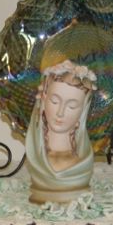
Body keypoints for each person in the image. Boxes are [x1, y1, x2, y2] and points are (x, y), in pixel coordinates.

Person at [25, 60, 97, 204]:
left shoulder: (82, 161)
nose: (60, 112)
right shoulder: (37, 157)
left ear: (83, 111)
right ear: (44, 100)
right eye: (55, 101)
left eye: (71, 106)